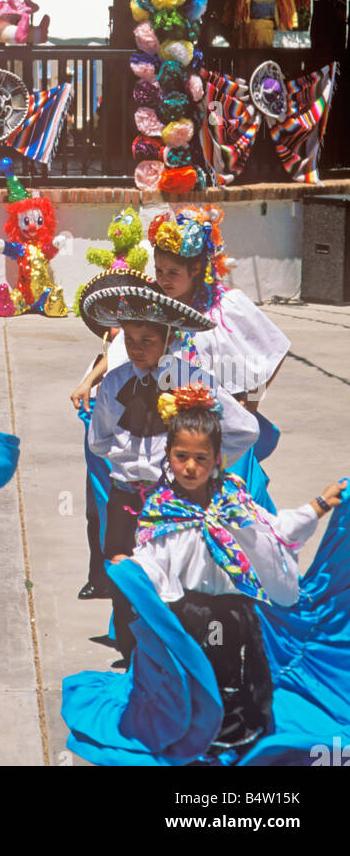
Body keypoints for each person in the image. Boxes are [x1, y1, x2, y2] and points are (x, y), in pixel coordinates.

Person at [128, 394, 345, 753]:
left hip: (234, 609)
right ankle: (196, 730)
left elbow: (273, 532)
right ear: (168, 455)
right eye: (181, 456)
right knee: (199, 672)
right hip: (188, 613)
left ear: (217, 459)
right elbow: (152, 561)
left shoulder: (232, 498)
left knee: (232, 670)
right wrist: (135, 577)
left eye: (201, 458)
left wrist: (318, 506)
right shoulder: (161, 508)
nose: (190, 467)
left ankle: (229, 730)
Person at [78, 271, 259, 663]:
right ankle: (132, 658)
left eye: (148, 340)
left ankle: (173, 659)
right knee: (125, 580)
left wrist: (206, 461)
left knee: (171, 583)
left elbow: (245, 429)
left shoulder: (188, 380)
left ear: (170, 339)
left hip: (171, 505)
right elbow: (98, 439)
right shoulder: (114, 383)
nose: (138, 348)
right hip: (124, 499)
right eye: (130, 340)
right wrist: (130, 456)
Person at [71, 208, 289, 409]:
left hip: (211, 417)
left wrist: (252, 403)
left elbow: (271, 353)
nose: (164, 280)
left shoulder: (228, 306)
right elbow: (124, 344)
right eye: (159, 271)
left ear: (195, 269)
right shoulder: (155, 303)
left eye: (173, 273)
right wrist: (91, 380)